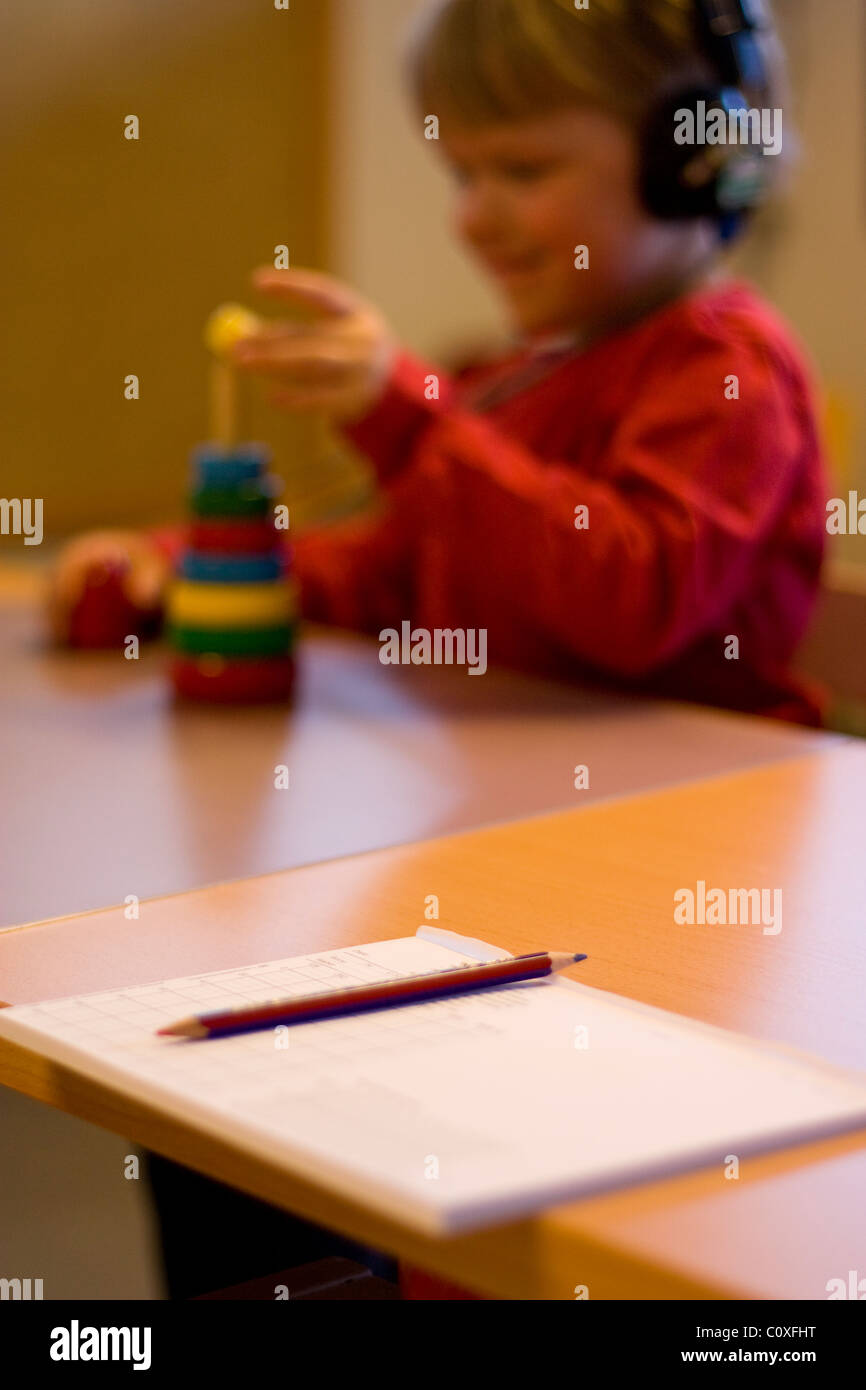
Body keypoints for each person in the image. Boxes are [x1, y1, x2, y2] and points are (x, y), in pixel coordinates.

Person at [49, 0, 828, 1296]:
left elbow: (630, 589)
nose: (472, 212)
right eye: (460, 170)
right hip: (513, 868)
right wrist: (178, 572)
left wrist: (411, 418)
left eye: (519, 169)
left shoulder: (727, 369)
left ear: (699, 158)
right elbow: (388, 571)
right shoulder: (510, 378)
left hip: (670, 913)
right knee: (206, 1091)